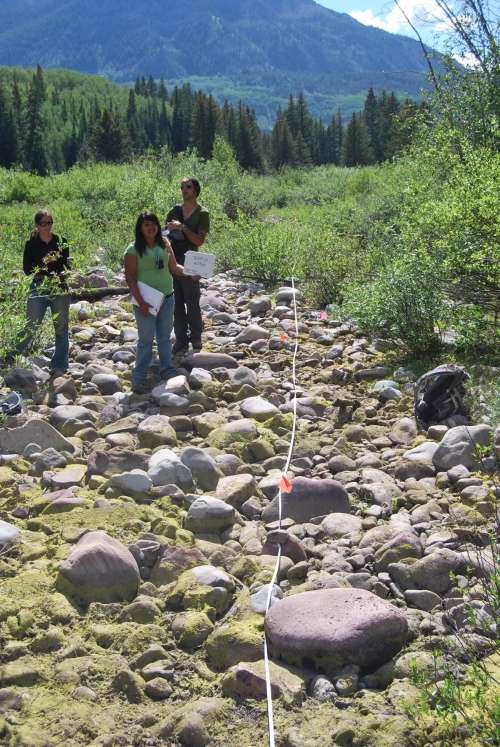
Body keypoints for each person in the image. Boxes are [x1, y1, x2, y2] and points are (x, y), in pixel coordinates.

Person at [124, 211, 186, 395]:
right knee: (145, 340)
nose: (151, 228)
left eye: (153, 224)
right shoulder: (133, 249)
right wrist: (141, 303)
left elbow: (174, 267)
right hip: (146, 300)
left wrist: (192, 272)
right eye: (146, 225)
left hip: (167, 297)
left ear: (158, 226)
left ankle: (167, 369)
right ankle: (139, 377)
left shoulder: (165, 243)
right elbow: (130, 278)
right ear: (140, 229)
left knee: (165, 337)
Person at [16, 209, 71, 376]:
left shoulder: (61, 241)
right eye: (43, 223)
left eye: (49, 223)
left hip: (59, 287)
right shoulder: (30, 244)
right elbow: (27, 270)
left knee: (61, 327)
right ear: (37, 225)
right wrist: (47, 266)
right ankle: (16, 358)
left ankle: (60, 364)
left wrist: (58, 269)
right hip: (38, 287)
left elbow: (66, 267)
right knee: (31, 325)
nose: (47, 227)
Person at [165, 177, 210, 355]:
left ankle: (196, 337)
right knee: (176, 302)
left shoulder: (202, 213)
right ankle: (181, 340)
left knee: (192, 301)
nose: (184, 190)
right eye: (182, 187)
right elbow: (164, 235)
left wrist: (182, 228)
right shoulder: (173, 211)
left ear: (196, 190)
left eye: (188, 187)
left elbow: (199, 240)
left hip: (193, 259)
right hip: (173, 258)